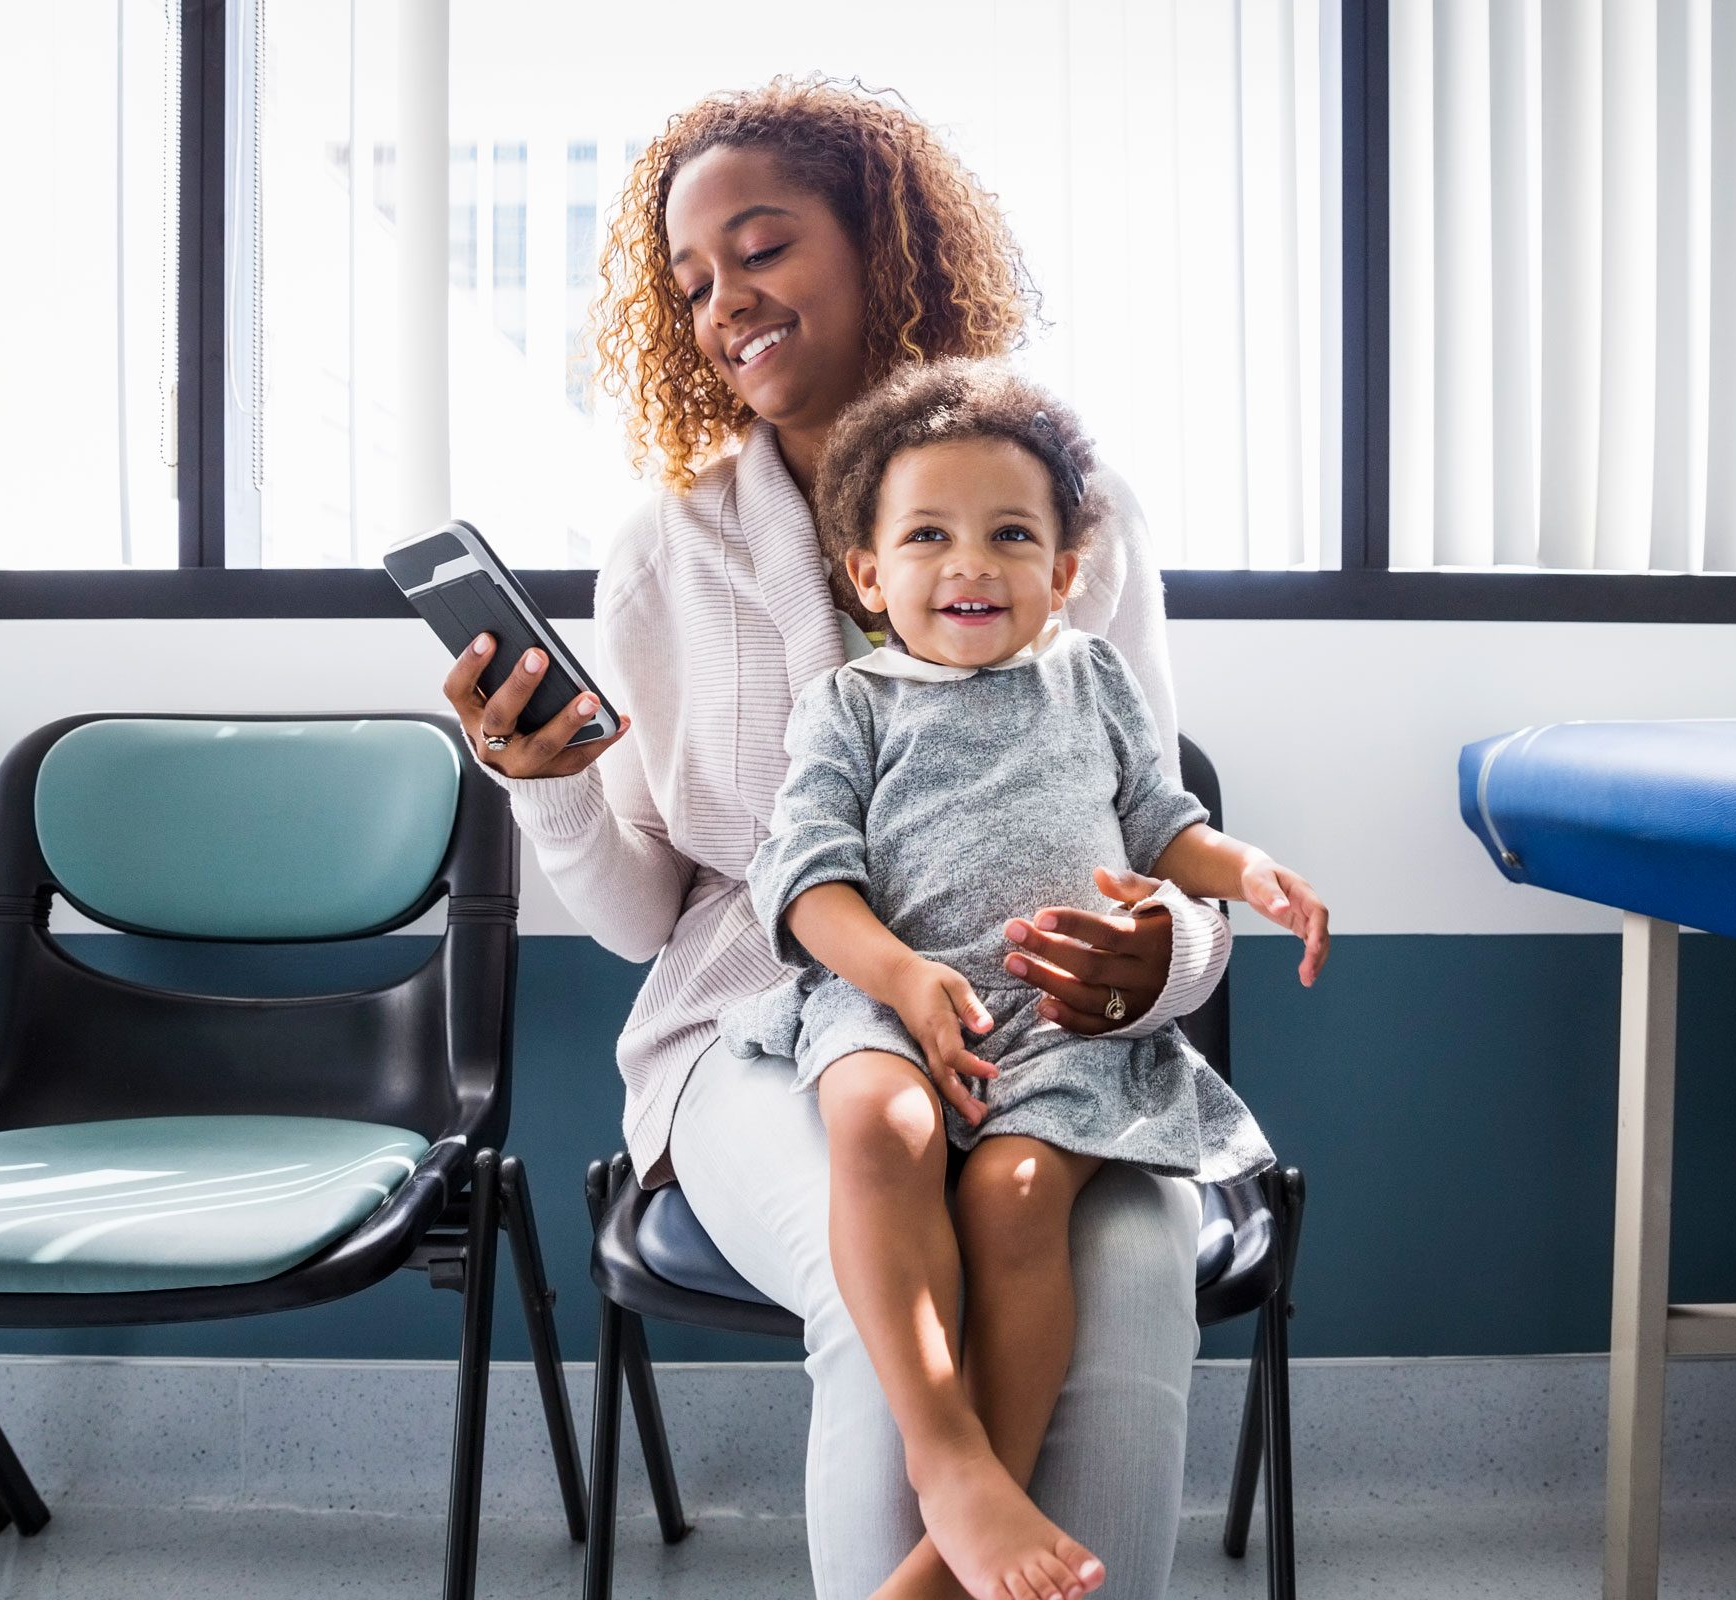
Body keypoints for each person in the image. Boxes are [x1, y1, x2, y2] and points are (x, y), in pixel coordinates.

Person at [439, 76, 1309, 1599]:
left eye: (761, 249)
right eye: (693, 280)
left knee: (1130, 1266)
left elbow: (1159, 829)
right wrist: (545, 779)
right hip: (762, 1029)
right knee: (876, 1282)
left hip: (1045, 1025)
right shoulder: (667, 552)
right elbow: (652, 917)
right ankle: (956, 1498)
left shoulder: (1073, 513)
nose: (724, 302)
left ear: (884, 248)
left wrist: (1158, 960)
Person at [719, 358, 1328, 1600]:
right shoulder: (849, 704)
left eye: (1010, 537)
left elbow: (1164, 823)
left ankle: (952, 1545)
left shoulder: (1092, 679)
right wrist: (896, 977)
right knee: (878, 1127)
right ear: (869, 576)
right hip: (891, 997)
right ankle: (950, 1460)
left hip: (1060, 1027)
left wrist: (1249, 870)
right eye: (928, 536)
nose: (969, 565)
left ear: (1062, 575)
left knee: (1015, 1191)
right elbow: (806, 883)